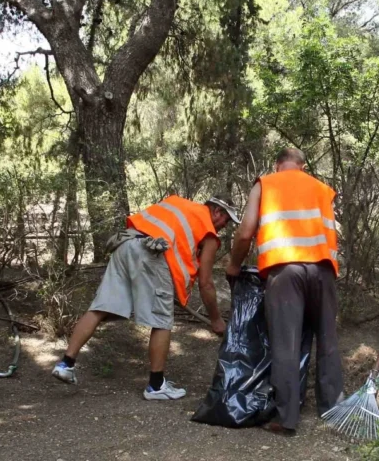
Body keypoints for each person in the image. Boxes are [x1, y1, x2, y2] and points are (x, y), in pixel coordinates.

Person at [52, 195, 239, 399]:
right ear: (217, 211)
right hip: (152, 254)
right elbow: (206, 283)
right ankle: (156, 386)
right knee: (162, 321)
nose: (225, 226)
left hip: (126, 245)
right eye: (227, 220)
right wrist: (216, 320)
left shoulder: (176, 203)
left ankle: (66, 364)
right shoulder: (209, 232)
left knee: (100, 307)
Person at [226, 148, 342, 436]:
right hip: (323, 271)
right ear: (303, 166)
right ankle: (332, 409)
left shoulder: (265, 184)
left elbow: (245, 232)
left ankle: (286, 418)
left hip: (285, 271)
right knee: (328, 340)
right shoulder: (323, 189)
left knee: (285, 343)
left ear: (277, 164)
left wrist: (234, 265)